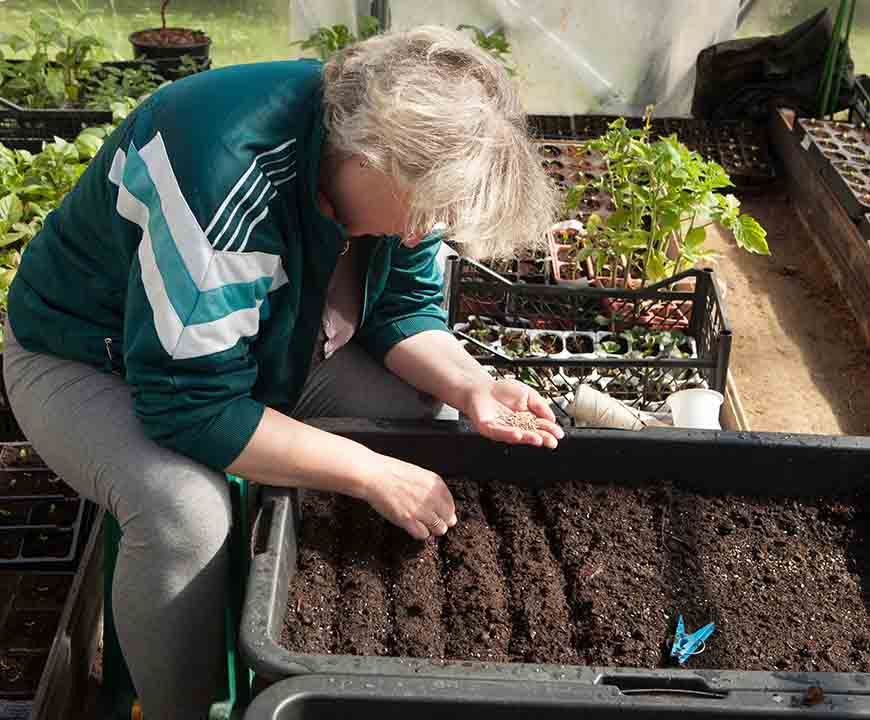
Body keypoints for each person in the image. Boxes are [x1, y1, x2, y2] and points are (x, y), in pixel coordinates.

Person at [3, 26, 561, 719]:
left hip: (264, 352)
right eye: (426, 211)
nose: (426, 232)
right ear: (365, 157)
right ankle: (180, 707)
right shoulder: (224, 172)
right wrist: (367, 471)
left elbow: (405, 309)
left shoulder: (400, 166)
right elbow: (191, 409)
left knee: (422, 413)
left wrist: (471, 384)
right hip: (89, 360)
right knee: (186, 513)